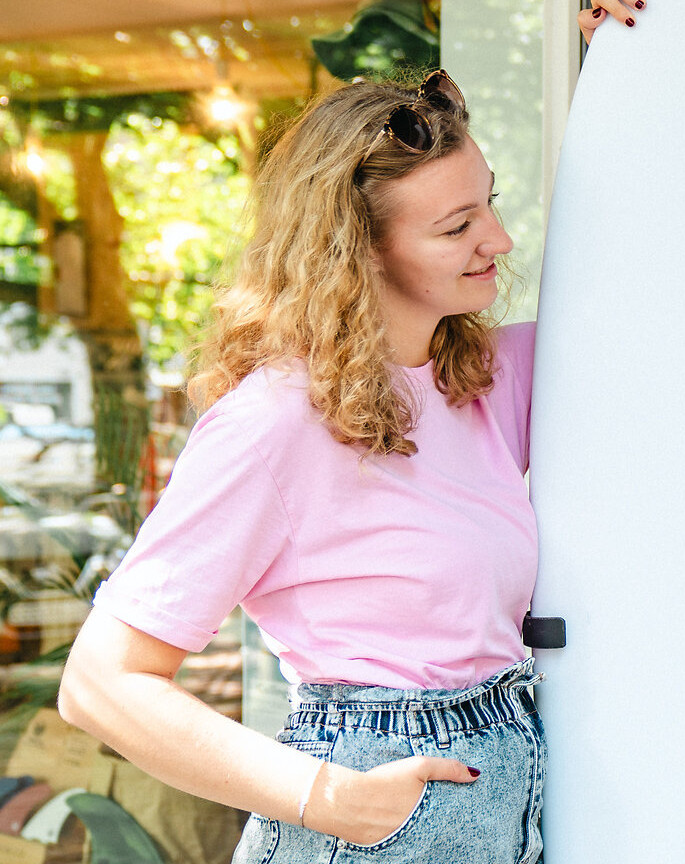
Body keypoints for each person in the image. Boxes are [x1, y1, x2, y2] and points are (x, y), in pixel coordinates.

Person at [58, 67, 558, 862]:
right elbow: (99, 684)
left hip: (506, 801)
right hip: (371, 808)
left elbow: (671, 306)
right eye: (456, 225)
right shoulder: (274, 422)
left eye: (489, 204)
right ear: (358, 249)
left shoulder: (492, 374)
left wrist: (634, 46)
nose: (495, 240)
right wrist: (331, 799)